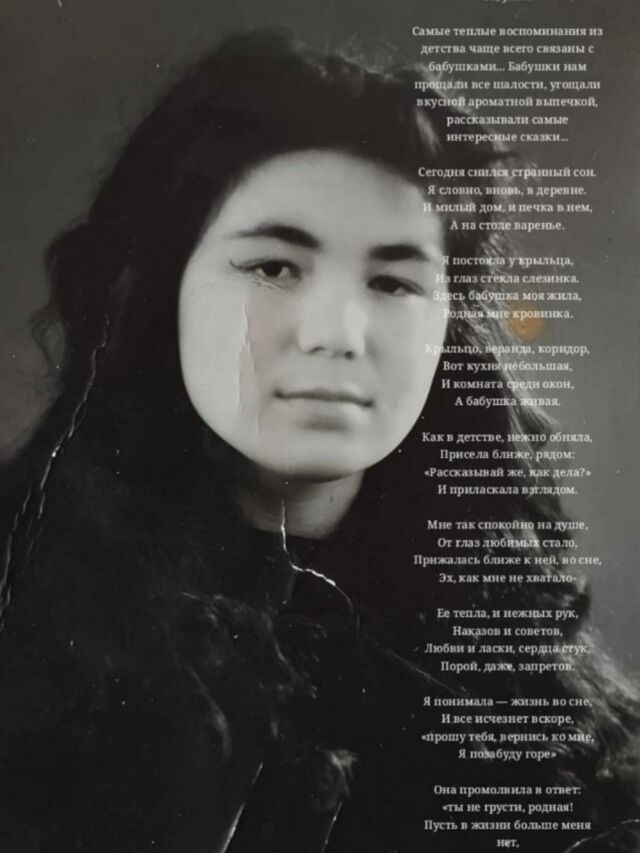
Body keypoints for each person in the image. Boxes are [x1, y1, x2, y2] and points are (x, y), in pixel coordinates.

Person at [0, 30, 638, 853]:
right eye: (273, 267)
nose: (337, 333)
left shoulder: (514, 660)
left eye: (393, 281)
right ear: (162, 289)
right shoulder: (26, 600)